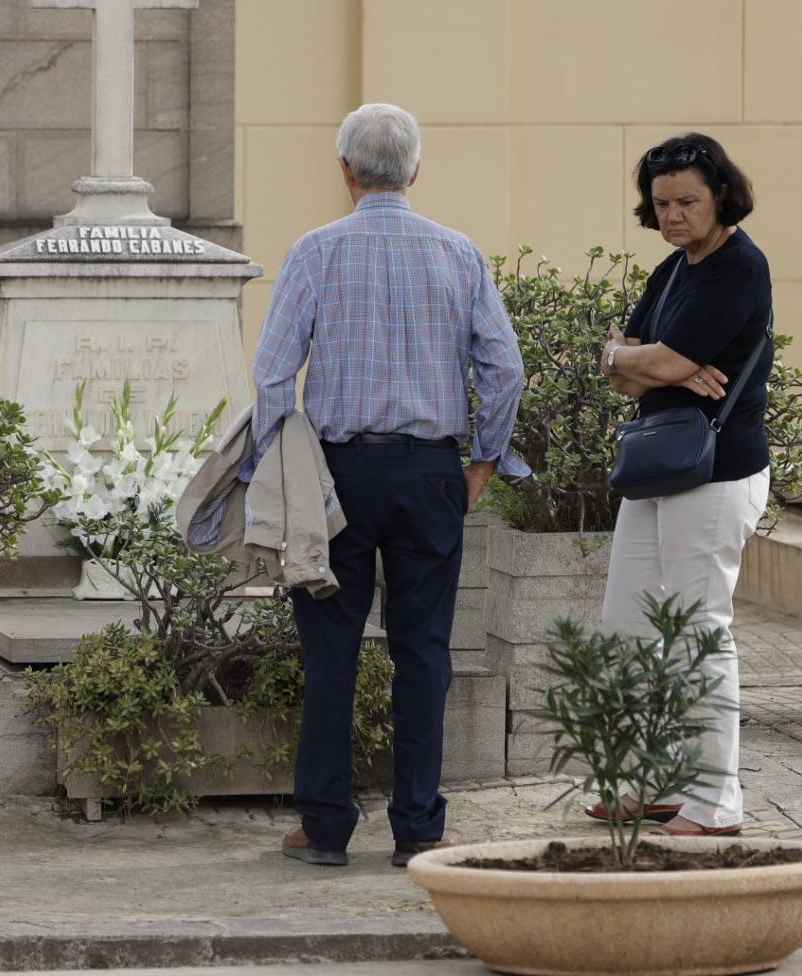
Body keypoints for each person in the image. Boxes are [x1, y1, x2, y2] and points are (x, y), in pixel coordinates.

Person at [250, 103, 528, 867]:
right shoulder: (457, 252)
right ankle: (419, 828)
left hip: (337, 474)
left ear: (344, 171)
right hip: (431, 470)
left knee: (330, 649)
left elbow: (273, 376)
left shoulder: (314, 251)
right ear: (414, 170)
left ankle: (324, 826)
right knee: (424, 650)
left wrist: (278, 473)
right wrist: (481, 460)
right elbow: (504, 371)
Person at [595, 132, 773, 837]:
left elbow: (661, 364)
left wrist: (653, 362)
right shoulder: (672, 271)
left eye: (687, 202)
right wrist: (636, 358)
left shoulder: (738, 268)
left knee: (700, 632)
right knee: (628, 623)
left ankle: (714, 802)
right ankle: (654, 784)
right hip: (655, 468)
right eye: (661, 203)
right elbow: (621, 366)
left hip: (716, 469)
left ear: (720, 195)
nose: (672, 215)